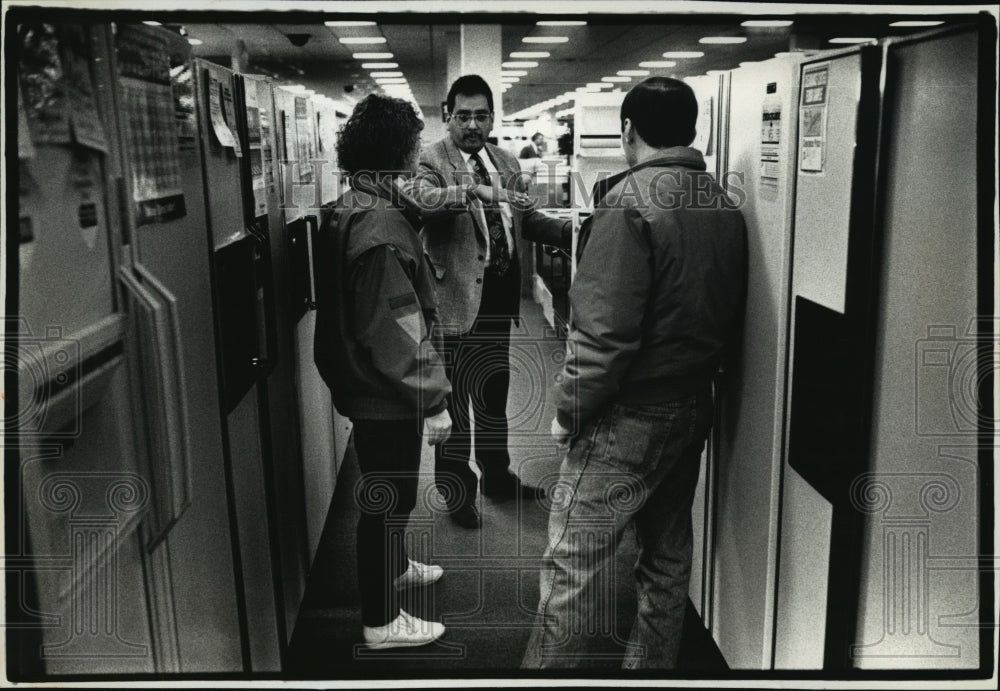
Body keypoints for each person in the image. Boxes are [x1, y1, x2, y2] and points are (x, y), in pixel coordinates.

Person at [522, 77, 748, 669]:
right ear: (691, 131)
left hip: (630, 414)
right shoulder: (721, 202)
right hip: (694, 403)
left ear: (627, 131)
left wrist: (566, 413)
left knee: (574, 563)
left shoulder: (627, 204)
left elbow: (602, 337)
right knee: (666, 555)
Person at [313, 94, 451, 650]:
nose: (420, 154)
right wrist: (435, 398)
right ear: (399, 150)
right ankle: (380, 620)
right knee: (384, 500)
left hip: (376, 387)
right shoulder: (379, 224)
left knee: (393, 493)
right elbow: (393, 329)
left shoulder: (362, 203)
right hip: (384, 390)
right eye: (414, 144)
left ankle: (393, 567)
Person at [406, 75, 572, 530]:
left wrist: (569, 232)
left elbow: (526, 218)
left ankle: (497, 475)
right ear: (447, 115)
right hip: (456, 298)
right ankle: (457, 489)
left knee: (493, 395)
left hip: (499, 300)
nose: (473, 124)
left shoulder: (505, 160)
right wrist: (474, 190)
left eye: (481, 115)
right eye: (464, 116)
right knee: (456, 403)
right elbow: (424, 203)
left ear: (493, 117)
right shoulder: (430, 159)